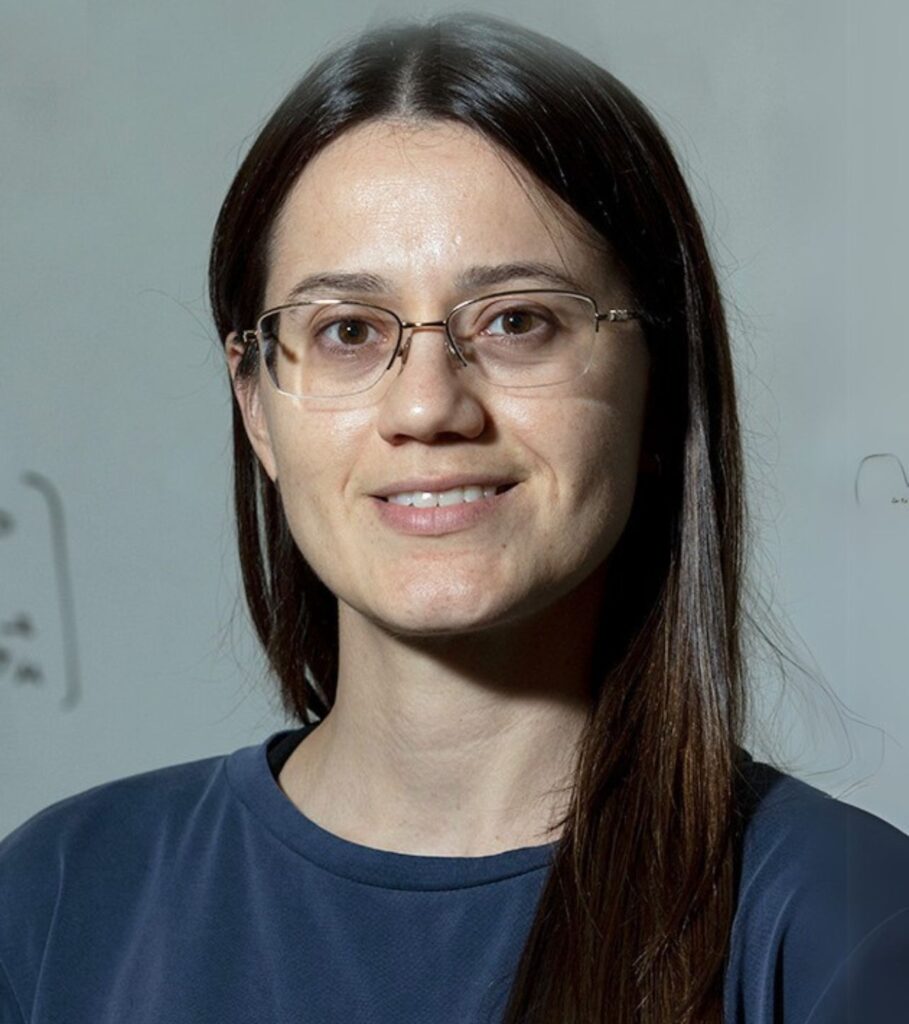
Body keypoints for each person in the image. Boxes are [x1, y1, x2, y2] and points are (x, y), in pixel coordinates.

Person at [1, 12, 907, 1024]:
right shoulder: (57, 903)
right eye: (347, 330)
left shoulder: (841, 923)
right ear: (255, 406)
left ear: (657, 380)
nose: (429, 406)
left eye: (518, 321)